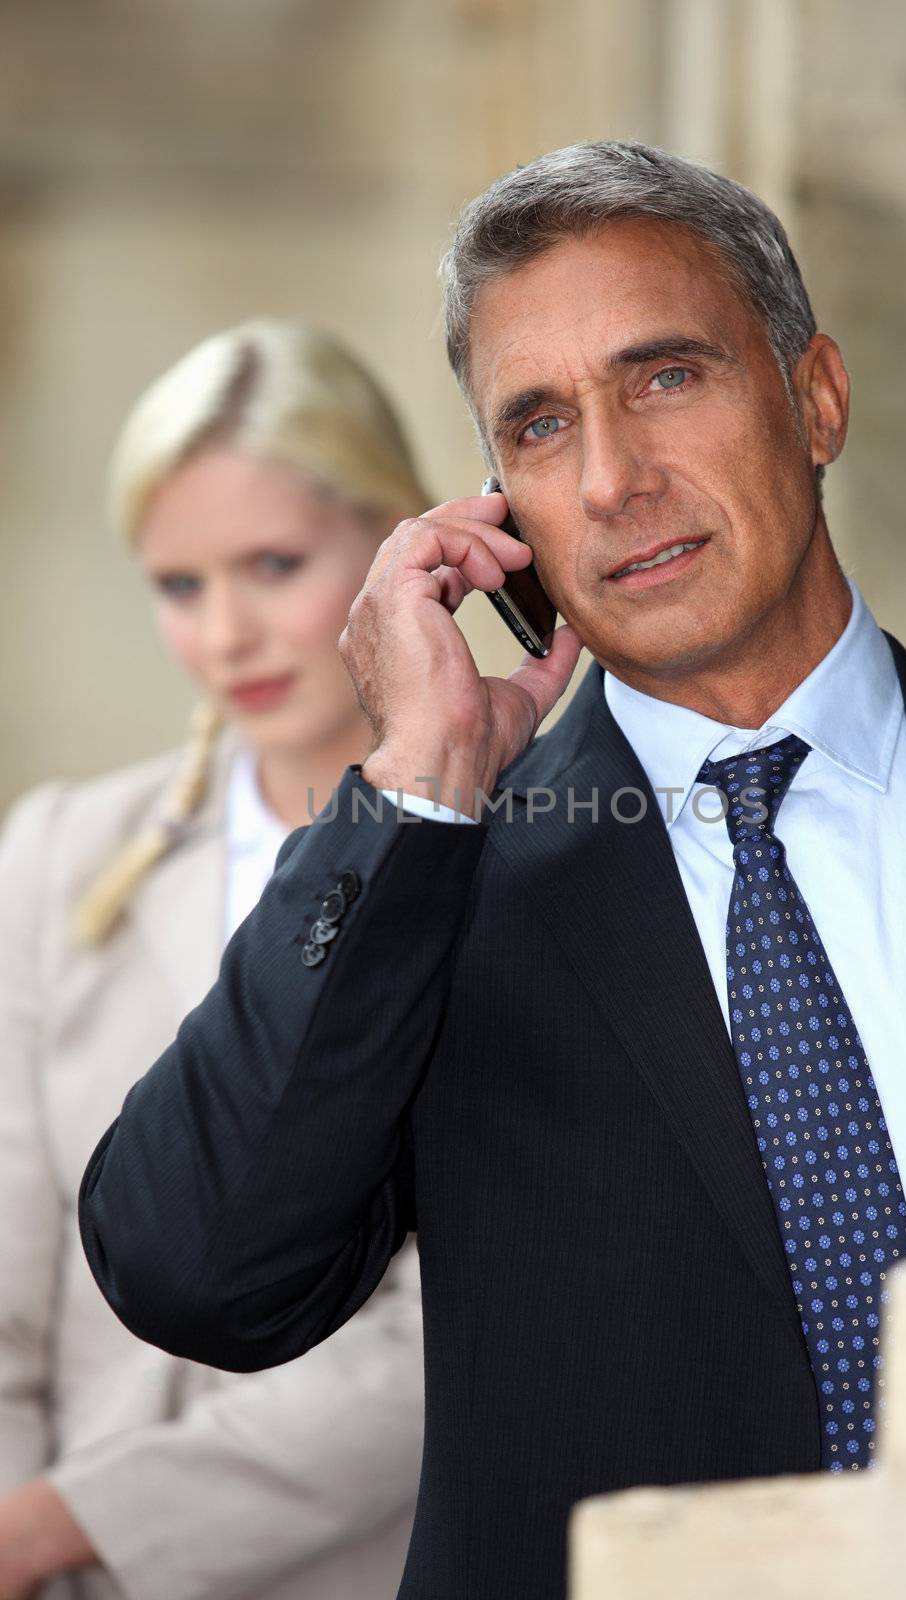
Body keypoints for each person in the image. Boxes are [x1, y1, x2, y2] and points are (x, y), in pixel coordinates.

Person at [77, 145, 906, 1600]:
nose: (610, 480)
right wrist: (413, 783)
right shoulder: (434, 875)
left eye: (666, 377)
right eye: (539, 428)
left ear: (814, 399)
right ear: (494, 515)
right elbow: (195, 1274)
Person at [0, 320, 431, 1600]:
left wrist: (66, 1525)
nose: (226, 632)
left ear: (400, 536)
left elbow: (443, 1334)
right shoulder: (61, 855)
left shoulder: (507, 863)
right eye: (180, 586)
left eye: (273, 563)